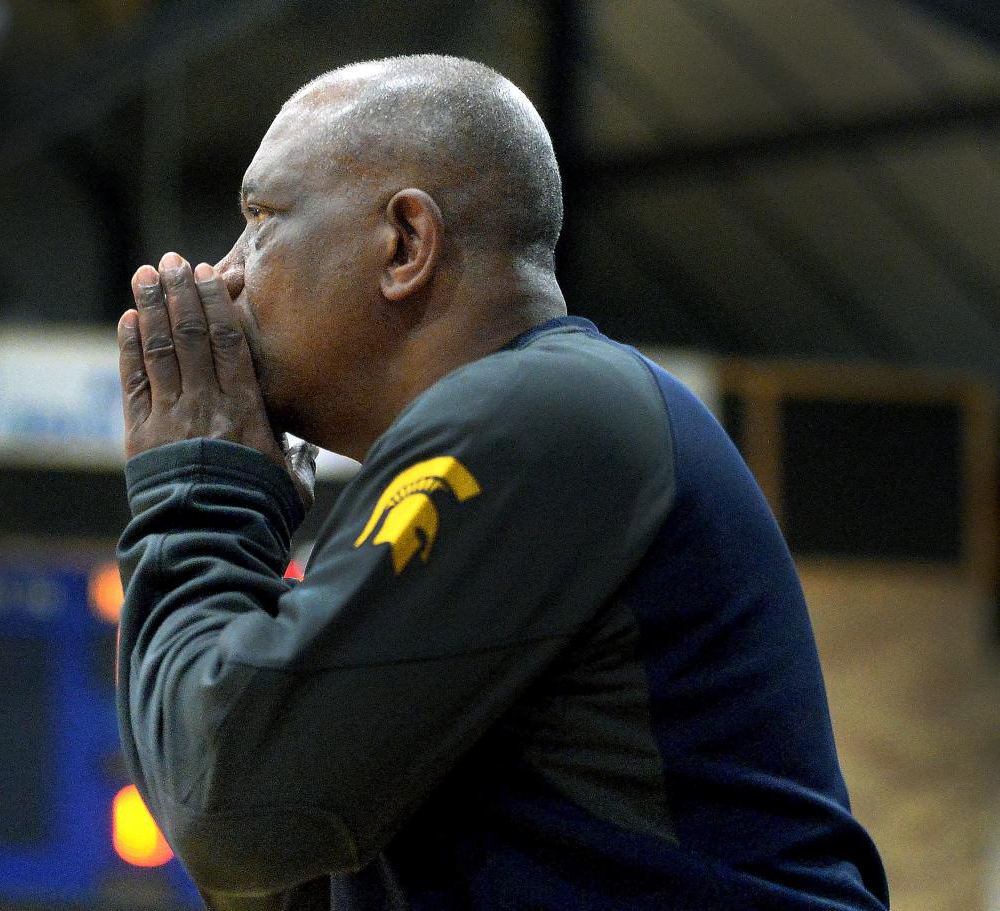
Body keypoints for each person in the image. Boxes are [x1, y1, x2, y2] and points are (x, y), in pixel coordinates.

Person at [113, 55, 889, 910]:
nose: (225, 272)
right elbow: (269, 869)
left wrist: (199, 486)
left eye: (261, 219)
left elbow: (230, 811)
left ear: (405, 243)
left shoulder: (538, 411)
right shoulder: (509, 438)